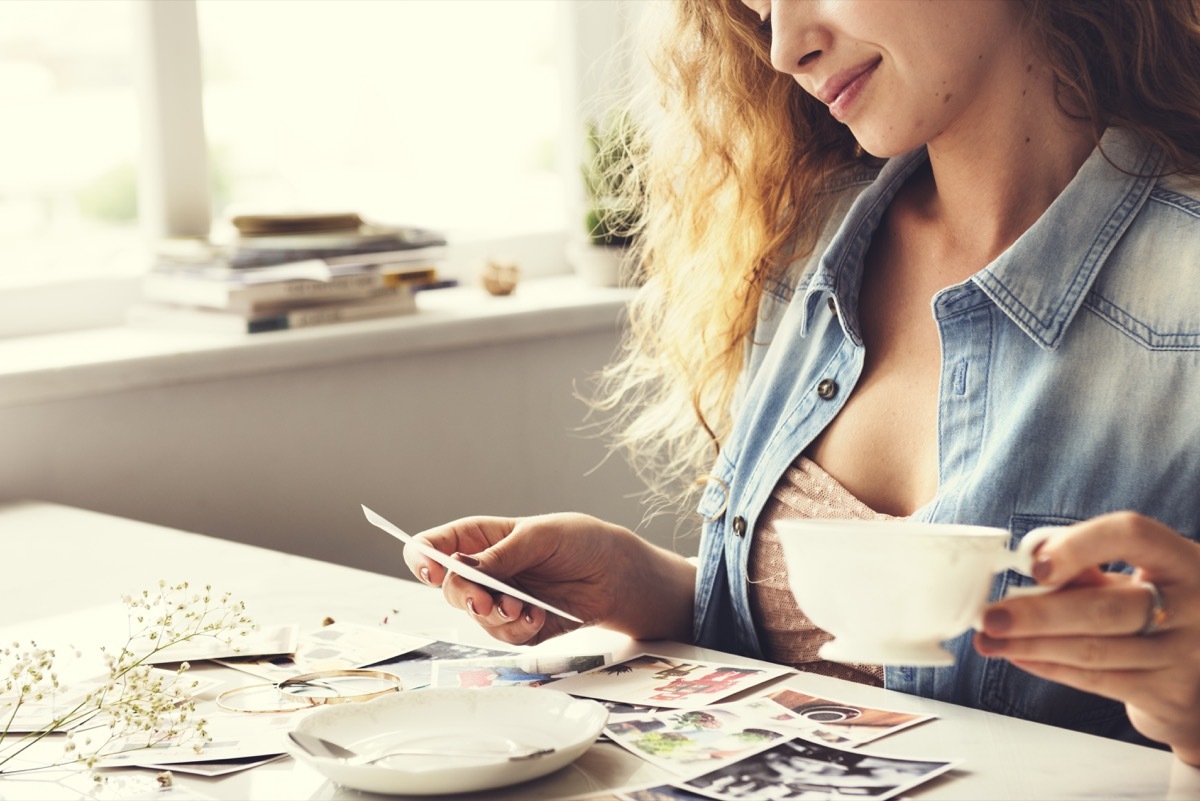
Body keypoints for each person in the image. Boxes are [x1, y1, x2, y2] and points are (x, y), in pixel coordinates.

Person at [403, 0, 1200, 765]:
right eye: (758, 4)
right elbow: (832, 659)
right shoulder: (806, 245)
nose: (785, 47)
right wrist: (641, 584)